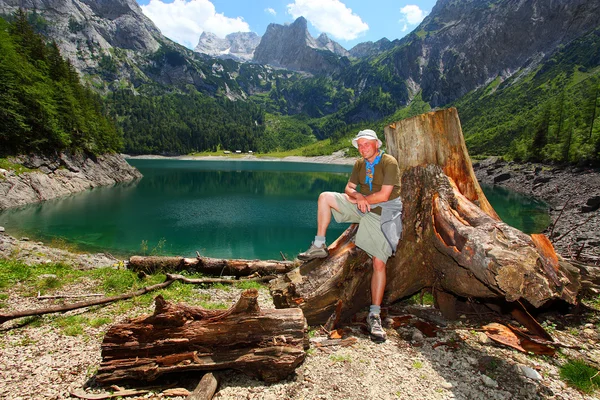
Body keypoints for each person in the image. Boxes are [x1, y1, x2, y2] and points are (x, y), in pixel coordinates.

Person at [298, 129, 402, 342]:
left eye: (367, 144)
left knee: (379, 263)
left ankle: (374, 314)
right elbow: (348, 188)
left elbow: (384, 195)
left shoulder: (389, 162)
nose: (363, 148)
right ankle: (319, 245)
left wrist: (363, 200)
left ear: (376, 144)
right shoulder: (359, 164)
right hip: (361, 204)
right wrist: (357, 197)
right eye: (360, 145)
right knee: (325, 197)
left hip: (384, 212)